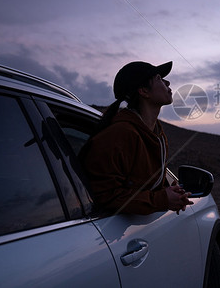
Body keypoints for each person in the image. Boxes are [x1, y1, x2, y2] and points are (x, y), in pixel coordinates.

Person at [81, 60, 193, 215]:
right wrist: (162, 199)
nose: (167, 82)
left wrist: (172, 194)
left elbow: (147, 185)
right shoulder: (119, 135)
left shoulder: (155, 134)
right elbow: (105, 195)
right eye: (159, 78)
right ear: (143, 91)